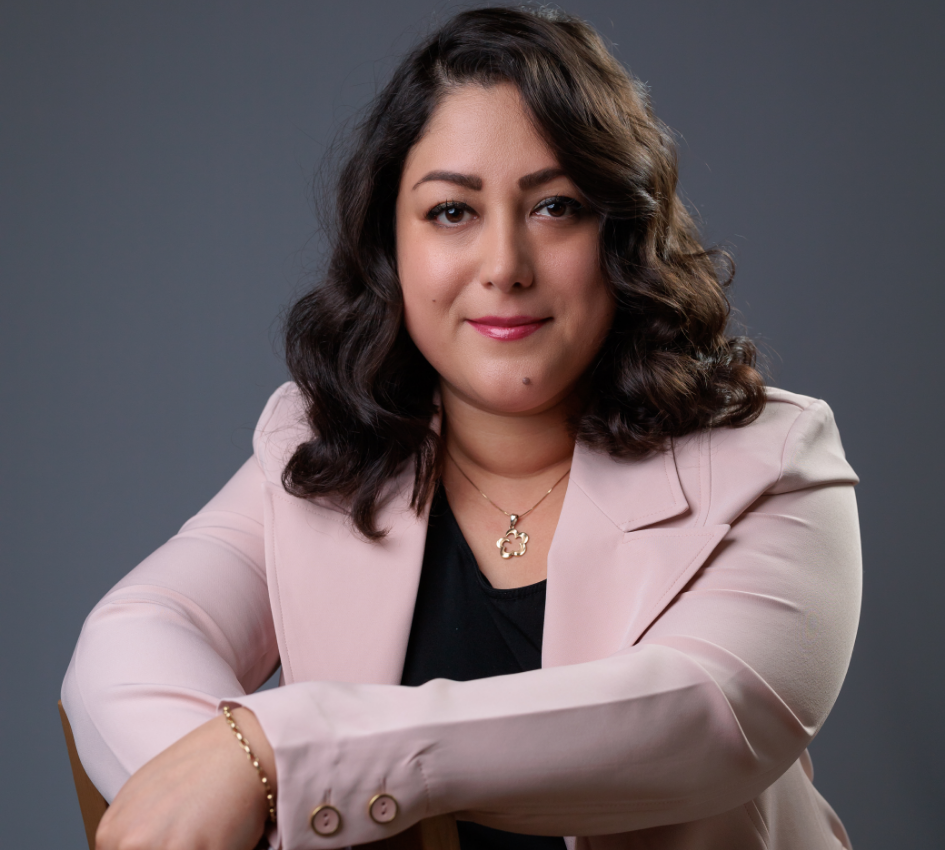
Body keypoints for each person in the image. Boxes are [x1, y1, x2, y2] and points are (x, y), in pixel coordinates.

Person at [61, 7, 861, 850]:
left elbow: (711, 716)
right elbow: (134, 634)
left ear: (620, 235)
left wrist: (285, 748)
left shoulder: (773, 460)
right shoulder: (319, 444)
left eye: (556, 207)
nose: (504, 266)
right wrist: (243, 781)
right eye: (451, 212)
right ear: (391, 247)